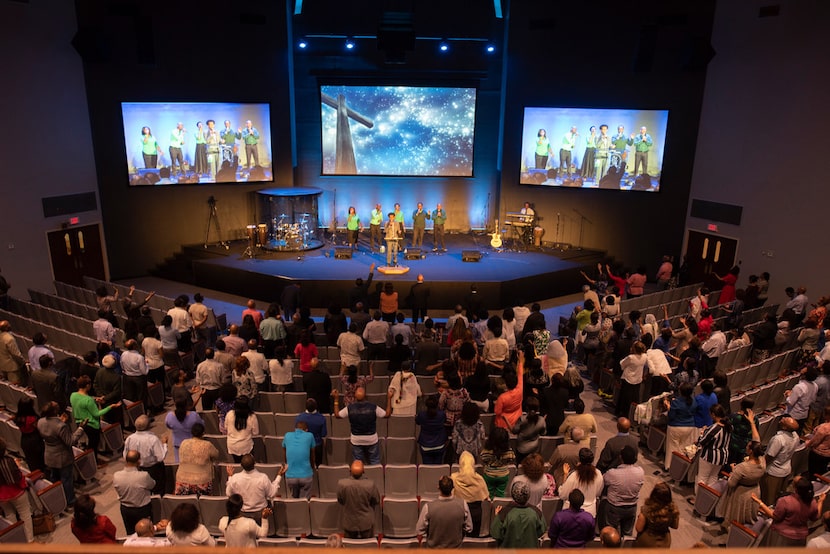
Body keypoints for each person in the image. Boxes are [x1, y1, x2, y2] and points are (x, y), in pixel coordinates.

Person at [752, 476, 825, 547]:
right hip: (800, 538)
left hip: (782, 537)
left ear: (796, 489)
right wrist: (820, 501)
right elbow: (815, 517)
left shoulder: (785, 501)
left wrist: (760, 502)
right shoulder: (812, 502)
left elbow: (775, 516)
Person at [38, 401, 85, 507]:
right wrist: (81, 428)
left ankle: (58, 498)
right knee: (66, 478)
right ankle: (70, 500)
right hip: (62, 457)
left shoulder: (40, 421)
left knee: (54, 477)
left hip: (50, 455)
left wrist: (60, 421)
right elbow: (71, 441)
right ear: (55, 411)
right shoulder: (61, 426)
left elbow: (52, 429)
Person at [334, 386, 390, 465]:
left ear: (355, 396)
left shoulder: (349, 408)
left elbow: (337, 415)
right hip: (372, 439)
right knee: (375, 463)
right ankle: (377, 476)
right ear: (365, 395)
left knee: (357, 463)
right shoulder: (373, 407)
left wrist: (336, 399)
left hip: (356, 439)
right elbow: (387, 415)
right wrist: (389, 398)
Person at [715, 441, 765, 528]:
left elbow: (731, 484)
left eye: (747, 446)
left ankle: (731, 532)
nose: (746, 447)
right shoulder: (762, 461)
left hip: (741, 493)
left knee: (735, 515)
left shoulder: (742, 467)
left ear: (751, 451)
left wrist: (734, 470)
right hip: (754, 491)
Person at [416, 475, 472, 548]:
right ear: (453, 488)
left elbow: (419, 531)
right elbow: (469, 528)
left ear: (438, 487)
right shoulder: (463, 505)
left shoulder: (428, 507)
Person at [490, 481, 546, 548]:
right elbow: (541, 532)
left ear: (512, 495)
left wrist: (497, 516)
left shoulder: (504, 513)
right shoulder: (537, 512)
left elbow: (495, 533)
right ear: (528, 495)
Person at [603, 445, 644, 536]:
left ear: (621, 458)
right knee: (627, 534)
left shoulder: (612, 473)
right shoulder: (640, 471)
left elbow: (604, 481)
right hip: (631, 507)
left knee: (611, 533)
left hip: (614, 507)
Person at [114, 450, 156, 535]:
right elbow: (152, 485)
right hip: (142, 510)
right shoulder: (143, 476)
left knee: (130, 534)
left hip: (126, 509)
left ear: (126, 460)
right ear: (139, 462)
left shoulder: (116, 475)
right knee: (146, 533)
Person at [760, 416, 800, 505]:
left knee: (768, 497)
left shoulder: (778, 439)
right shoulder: (796, 436)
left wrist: (761, 466)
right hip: (785, 468)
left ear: (785, 427)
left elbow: (770, 456)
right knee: (778, 495)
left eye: (784, 420)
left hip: (773, 472)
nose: (782, 418)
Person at [124, 414, 167, 495]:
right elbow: (161, 457)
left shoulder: (129, 439)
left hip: (137, 469)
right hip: (154, 469)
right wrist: (164, 444)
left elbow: (125, 455)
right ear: (148, 426)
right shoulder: (153, 439)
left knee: (143, 489)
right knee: (158, 489)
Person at [337, 460, 381, 538]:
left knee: (349, 548)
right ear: (363, 471)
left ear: (350, 471)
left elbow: (340, 500)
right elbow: (376, 500)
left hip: (349, 523)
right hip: (366, 523)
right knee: (367, 548)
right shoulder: (370, 484)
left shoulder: (342, 484)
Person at [0, 438, 33, 542]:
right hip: (16, 492)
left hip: (2, 497)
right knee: (25, 515)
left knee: (10, 516)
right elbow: (18, 478)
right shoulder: (8, 461)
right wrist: (18, 466)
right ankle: (30, 541)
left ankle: (17, 541)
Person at [450, 451, 489, 536]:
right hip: (476, 515)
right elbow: (486, 497)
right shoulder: (479, 479)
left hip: (459, 513)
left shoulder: (453, 478)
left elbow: (450, 496)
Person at [696, 404, 731, 494]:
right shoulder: (729, 426)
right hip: (722, 457)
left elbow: (702, 442)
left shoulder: (714, 428)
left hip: (709, 456)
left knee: (702, 477)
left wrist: (702, 433)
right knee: (713, 478)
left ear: (713, 415)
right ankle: (707, 499)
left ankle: (698, 499)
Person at [175, 422, 219, 495]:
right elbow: (216, 455)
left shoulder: (184, 443)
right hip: (202, 482)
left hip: (182, 480)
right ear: (203, 433)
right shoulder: (207, 445)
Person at [558, 448, 603, 517]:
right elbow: (598, 493)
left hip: (571, 514)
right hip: (590, 513)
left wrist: (565, 475)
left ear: (579, 459)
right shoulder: (598, 474)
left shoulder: (573, 476)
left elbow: (563, 495)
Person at [664, 383, 698, 471]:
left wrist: (668, 406)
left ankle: (670, 467)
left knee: (672, 448)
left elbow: (671, 416)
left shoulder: (676, 402)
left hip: (676, 427)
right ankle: (680, 468)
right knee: (683, 448)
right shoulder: (694, 401)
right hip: (689, 427)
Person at [634, 482, 679, 547]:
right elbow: (675, 526)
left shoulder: (646, 509)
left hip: (647, 542)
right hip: (664, 543)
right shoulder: (673, 510)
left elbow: (639, 528)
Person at [283, 421, 316, 498]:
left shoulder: (287, 435)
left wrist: (287, 466)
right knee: (305, 502)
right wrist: (312, 468)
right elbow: (312, 455)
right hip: (306, 475)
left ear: (295, 429)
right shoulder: (310, 436)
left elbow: (285, 453)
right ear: (306, 430)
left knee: (294, 501)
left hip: (290, 475)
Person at [511, 396, 546, 463]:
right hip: (535, 449)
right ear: (538, 409)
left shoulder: (522, 419)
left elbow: (514, 431)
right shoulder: (542, 420)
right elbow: (543, 433)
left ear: (526, 408)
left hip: (522, 450)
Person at [14, 397, 44, 473]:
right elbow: (39, 428)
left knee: (31, 462)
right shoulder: (32, 418)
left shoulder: (18, 417)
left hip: (24, 440)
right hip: (34, 441)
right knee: (39, 463)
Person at [415, 395, 447, 464]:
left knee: (428, 469)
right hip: (440, 445)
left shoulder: (421, 415)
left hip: (425, 446)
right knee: (438, 468)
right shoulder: (442, 415)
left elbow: (417, 422)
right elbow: (445, 421)